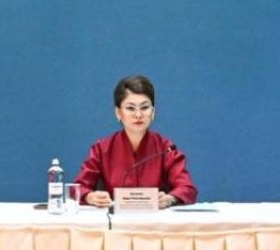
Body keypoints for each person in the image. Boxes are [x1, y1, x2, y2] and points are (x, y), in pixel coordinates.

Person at [73, 74, 197, 209]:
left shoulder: (166, 148)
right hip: (116, 219)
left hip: (155, 220)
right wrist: (90, 196)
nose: (138, 115)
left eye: (144, 107)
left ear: (153, 112)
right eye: (130, 108)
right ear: (118, 113)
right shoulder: (102, 149)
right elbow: (77, 188)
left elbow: (187, 188)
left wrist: (169, 199)